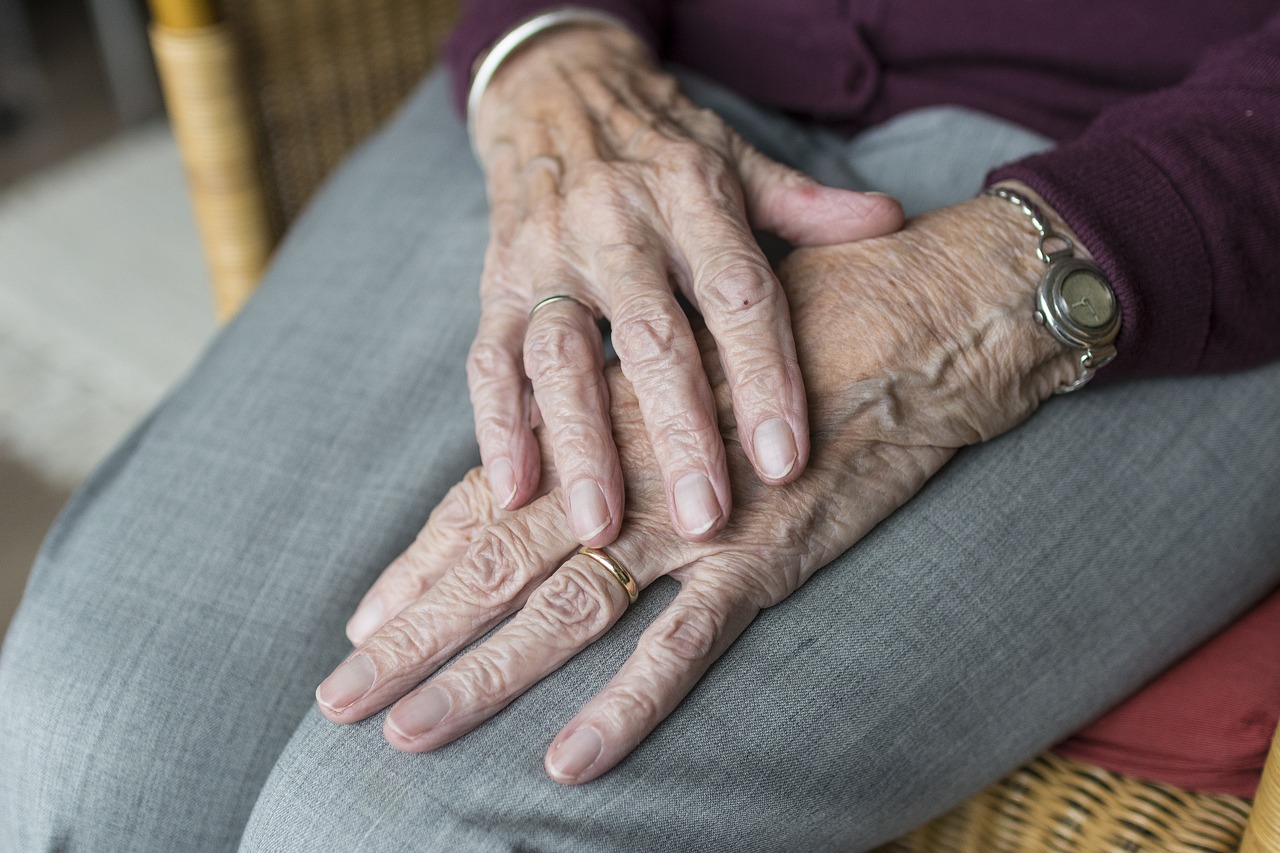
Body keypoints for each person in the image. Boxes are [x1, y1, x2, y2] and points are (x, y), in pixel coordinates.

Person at [2, 2, 1279, 850]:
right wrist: (546, 42)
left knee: (403, 826)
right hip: (636, 63)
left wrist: (993, 293)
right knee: (84, 741)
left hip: (1163, 180)